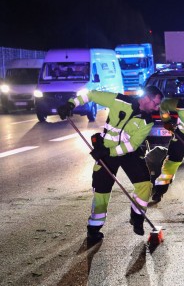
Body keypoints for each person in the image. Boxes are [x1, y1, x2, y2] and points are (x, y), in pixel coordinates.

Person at [56, 86, 164, 243]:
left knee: (145, 184)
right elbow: (91, 94)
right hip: (105, 149)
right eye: (156, 103)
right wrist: (71, 104)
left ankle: (137, 217)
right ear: (147, 98)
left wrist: (108, 153)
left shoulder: (148, 120)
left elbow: (132, 145)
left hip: (127, 153)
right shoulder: (119, 100)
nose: (157, 107)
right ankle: (93, 228)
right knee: (101, 190)